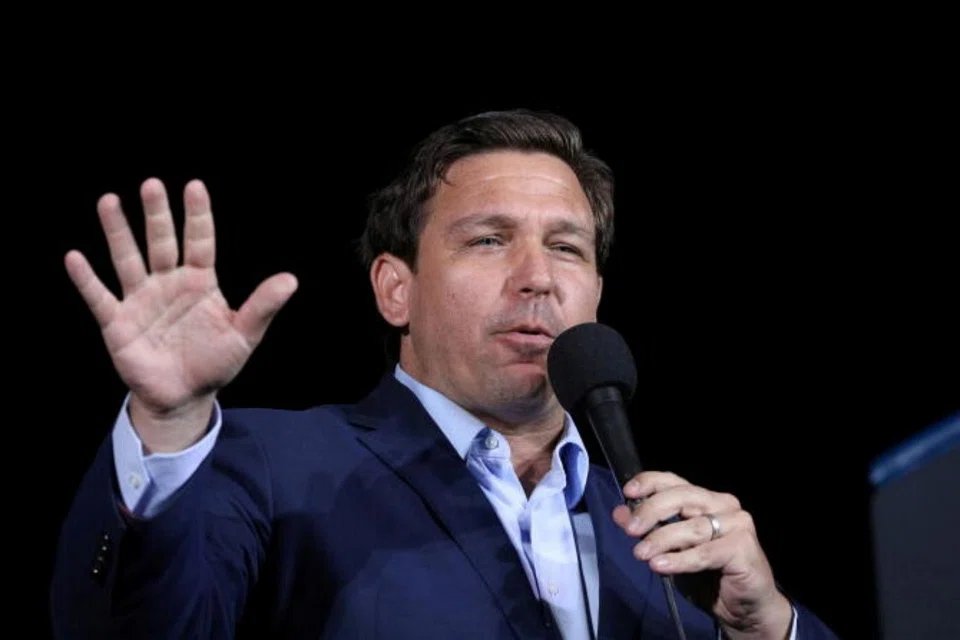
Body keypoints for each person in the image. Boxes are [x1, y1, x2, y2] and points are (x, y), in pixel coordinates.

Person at [51, 109, 838, 639]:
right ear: (396, 289)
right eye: (489, 240)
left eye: (566, 247)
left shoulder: (667, 543)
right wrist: (167, 425)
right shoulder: (269, 465)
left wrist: (768, 626)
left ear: (596, 293)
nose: (538, 278)